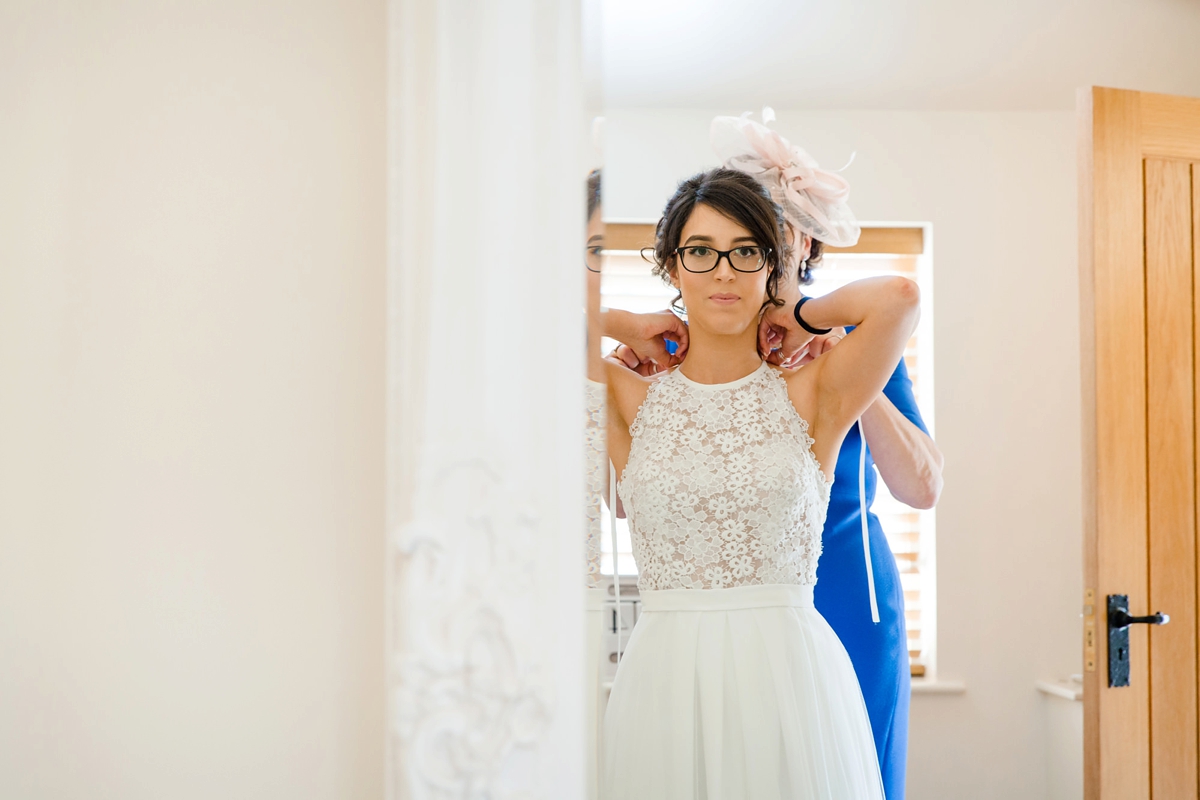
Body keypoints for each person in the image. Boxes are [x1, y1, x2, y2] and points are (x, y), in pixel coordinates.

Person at [612, 119, 943, 799]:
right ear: (679, 263)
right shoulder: (669, 354)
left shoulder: (844, 350)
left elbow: (922, 484)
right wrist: (628, 329)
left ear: (796, 245)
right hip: (690, 607)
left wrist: (821, 336)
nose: (729, 265)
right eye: (707, 249)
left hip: (839, 582)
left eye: (761, 238)